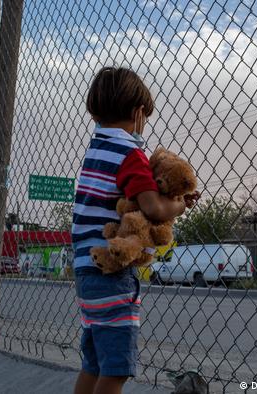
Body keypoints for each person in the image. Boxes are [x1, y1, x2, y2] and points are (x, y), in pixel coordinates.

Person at [72, 67, 199, 394]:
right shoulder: (131, 155)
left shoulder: (97, 149)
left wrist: (136, 142)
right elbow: (154, 208)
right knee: (115, 369)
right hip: (112, 275)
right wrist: (181, 205)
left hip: (87, 269)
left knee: (94, 363)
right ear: (138, 113)